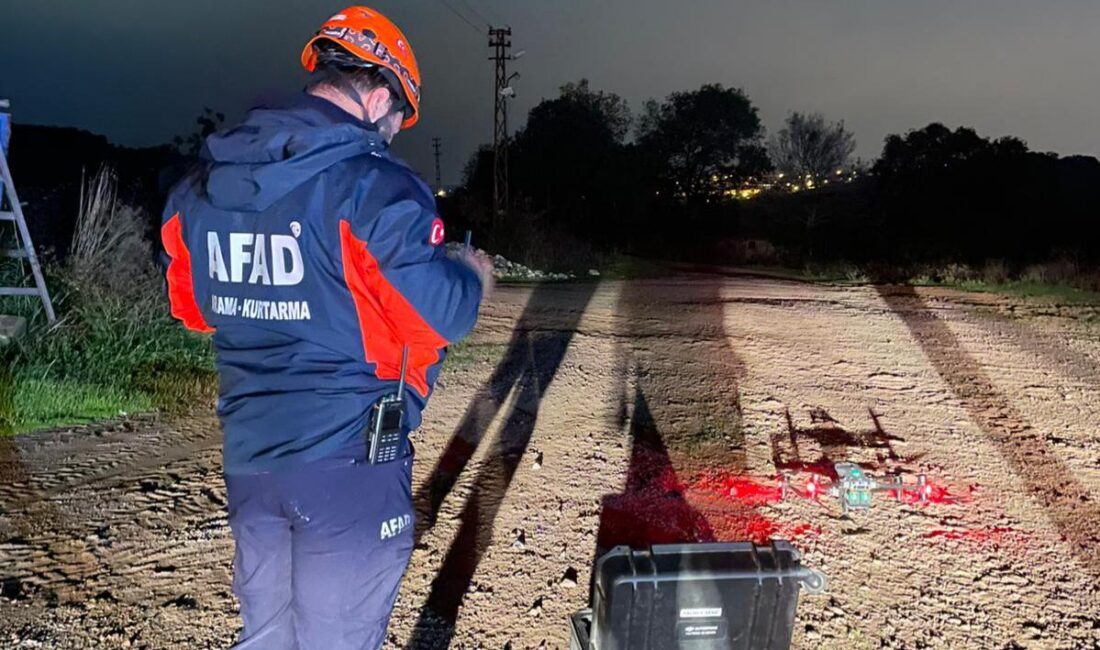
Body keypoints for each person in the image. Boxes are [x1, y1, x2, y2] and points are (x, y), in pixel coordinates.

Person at [159, 6, 492, 648]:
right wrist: (471, 276)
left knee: (267, 636)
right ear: (375, 98)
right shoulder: (375, 188)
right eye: (396, 121)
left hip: (251, 461)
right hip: (349, 467)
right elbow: (438, 313)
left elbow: (192, 309)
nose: (391, 136)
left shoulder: (200, 192)